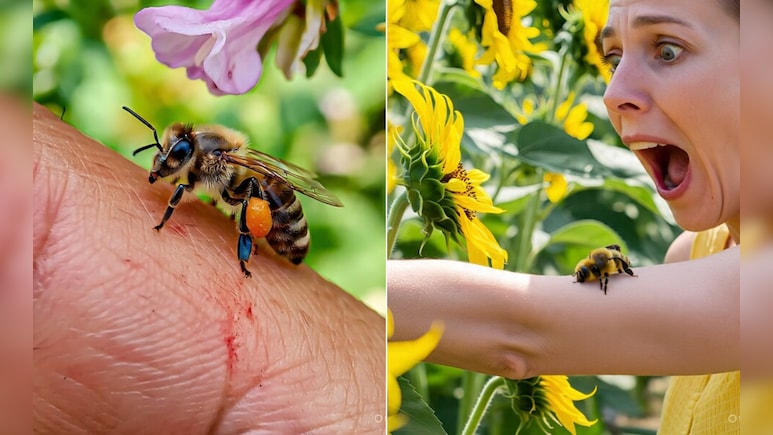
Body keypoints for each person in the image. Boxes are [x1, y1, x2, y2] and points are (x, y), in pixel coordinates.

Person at [389, 0, 741, 432]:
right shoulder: (692, 255)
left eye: (667, 51)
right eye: (613, 58)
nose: (613, 93)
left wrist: (359, 295)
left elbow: (520, 333)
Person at [32, 103, 386, 433]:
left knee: (249, 193)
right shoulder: (200, 161)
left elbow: (210, 186)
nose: (168, 161)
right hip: (262, 207)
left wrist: (163, 221)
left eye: (176, 157)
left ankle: (244, 257)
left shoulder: (219, 159)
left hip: (277, 217)